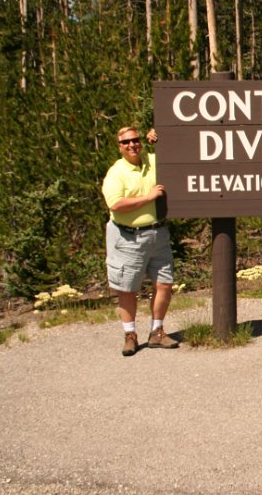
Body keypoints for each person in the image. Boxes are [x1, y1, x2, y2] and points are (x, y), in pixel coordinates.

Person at [101, 126, 178, 356]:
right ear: (119, 146)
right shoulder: (116, 173)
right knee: (127, 288)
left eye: (135, 140)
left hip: (158, 233)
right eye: (126, 142)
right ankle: (130, 335)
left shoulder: (152, 160)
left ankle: (157, 331)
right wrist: (148, 197)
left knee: (164, 283)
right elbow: (115, 204)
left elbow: (178, 152)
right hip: (127, 237)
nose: (132, 145)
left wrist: (160, 135)